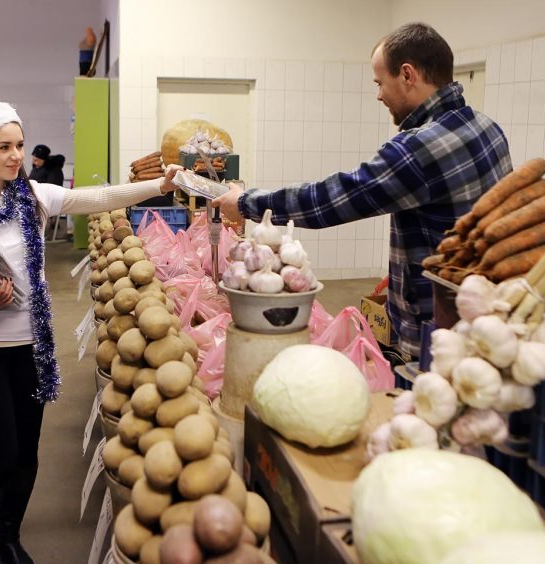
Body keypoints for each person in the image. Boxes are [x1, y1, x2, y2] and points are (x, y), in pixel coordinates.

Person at [0, 98, 177, 564]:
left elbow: (100, 198)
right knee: (0, 454)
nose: (15, 156)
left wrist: (159, 185)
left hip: (32, 349)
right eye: (4, 147)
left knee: (26, 454)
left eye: (20, 146)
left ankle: (10, 536)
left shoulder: (34, 197)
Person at [213, 22, 513, 360]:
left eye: (380, 83)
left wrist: (247, 202)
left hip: (437, 332)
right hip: (489, 320)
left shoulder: (418, 149)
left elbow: (332, 199)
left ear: (407, 75)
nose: (379, 95)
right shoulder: (488, 128)